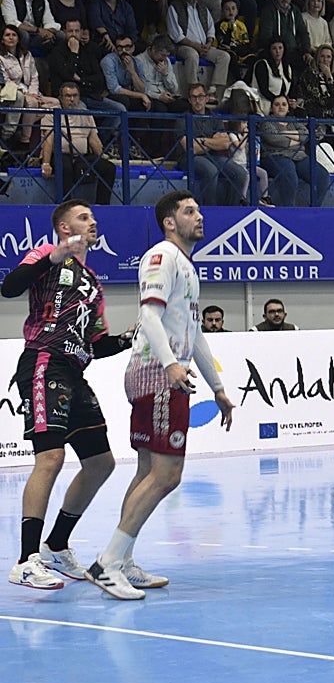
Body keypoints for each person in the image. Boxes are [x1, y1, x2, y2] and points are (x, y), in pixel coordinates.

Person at [86, 191, 234, 600]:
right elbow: (148, 314)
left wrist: (218, 388)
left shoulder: (186, 265)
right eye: (189, 212)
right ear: (169, 222)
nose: (199, 217)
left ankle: (123, 560)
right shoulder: (162, 257)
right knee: (168, 475)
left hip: (163, 372)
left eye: (200, 210)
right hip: (158, 375)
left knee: (148, 472)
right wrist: (170, 365)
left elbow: (194, 333)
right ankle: (107, 563)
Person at [2, 200, 131, 590]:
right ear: (63, 227)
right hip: (44, 362)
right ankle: (26, 560)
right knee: (51, 457)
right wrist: (54, 256)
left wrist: (128, 339)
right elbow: (9, 287)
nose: (92, 222)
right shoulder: (46, 255)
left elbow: (96, 343)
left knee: (101, 463)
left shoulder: (93, 282)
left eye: (93, 217)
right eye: (83, 217)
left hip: (74, 372)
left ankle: (57, 546)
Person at [40, 81, 117, 204]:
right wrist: (46, 163)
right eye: (68, 96)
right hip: (61, 154)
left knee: (109, 168)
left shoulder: (85, 114)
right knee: (65, 167)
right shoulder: (52, 114)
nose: (72, 99)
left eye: (75, 96)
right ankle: (66, 204)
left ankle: (103, 204)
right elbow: (48, 140)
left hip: (82, 156)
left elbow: (94, 139)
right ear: (61, 98)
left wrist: (101, 158)